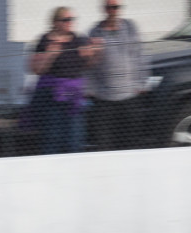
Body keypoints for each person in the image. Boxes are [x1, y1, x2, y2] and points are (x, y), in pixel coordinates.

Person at [29, 7, 97, 154]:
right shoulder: (45, 40)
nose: (69, 22)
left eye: (71, 19)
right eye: (65, 19)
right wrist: (49, 55)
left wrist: (92, 54)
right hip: (52, 97)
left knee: (75, 138)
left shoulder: (78, 39)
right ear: (55, 22)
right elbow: (36, 69)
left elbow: (87, 65)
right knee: (53, 137)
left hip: (74, 97)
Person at [87, 1, 146, 151]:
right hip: (104, 99)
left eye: (116, 7)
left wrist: (141, 83)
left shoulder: (130, 27)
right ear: (104, 9)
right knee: (104, 143)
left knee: (130, 142)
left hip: (129, 97)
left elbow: (139, 55)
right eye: (110, 7)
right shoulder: (95, 32)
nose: (113, 11)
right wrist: (90, 89)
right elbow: (88, 65)